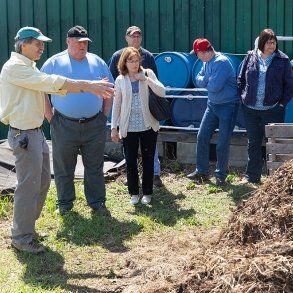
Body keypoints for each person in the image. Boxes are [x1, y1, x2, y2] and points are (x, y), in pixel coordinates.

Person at [0, 26, 114, 253]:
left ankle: (27, 229)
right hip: (24, 135)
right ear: (24, 44)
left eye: (43, 43)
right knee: (28, 186)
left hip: (35, 133)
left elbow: (52, 85)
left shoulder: (29, 66)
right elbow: (53, 83)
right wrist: (89, 85)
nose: (42, 47)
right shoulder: (15, 68)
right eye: (38, 43)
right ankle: (21, 237)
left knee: (42, 182)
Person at [41, 25, 114, 215]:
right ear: (68, 41)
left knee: (95, 166)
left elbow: (110, 90)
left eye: (85, 43)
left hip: (94, 124)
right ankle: (64, 204)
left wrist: (104, 115)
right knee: (63, 166)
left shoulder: (97, 62)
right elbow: (40, 92)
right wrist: (50, 118)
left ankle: (97, 202)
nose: (83, 46)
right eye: (79, 42)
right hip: (64, 124)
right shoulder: (54, 63)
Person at [109, 25, 163, 188]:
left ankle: (155, 175)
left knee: (150, 149)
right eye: (132, 36)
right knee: (130, 150)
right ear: (126, 38)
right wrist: (114, 125)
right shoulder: (117, 56)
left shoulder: (148, 56)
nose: (136, 39)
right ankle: (132, 178)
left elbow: (157, 85)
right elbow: (114, 80)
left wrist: (145, 80)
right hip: (128, 114)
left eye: (138, 36)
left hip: (146, 112)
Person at [237, 28, 293, 183]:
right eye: (268, 42)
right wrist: (243, 98)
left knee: (275, 143)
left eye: (274, 43)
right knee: (253, 142)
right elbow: (240, 79)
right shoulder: (250, 57)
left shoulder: (282, 60)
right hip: (250, 109)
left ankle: (275, 177)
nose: (271, 46)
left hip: (273, 109)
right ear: (261, 43)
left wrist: (281, 104)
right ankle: (252, 176)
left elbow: (289, 85)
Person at [187, 38, 239, 186]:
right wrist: (207, 79)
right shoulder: (206, 62)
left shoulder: (221, 62)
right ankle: (201, 171)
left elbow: (214, 87)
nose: (196, 57)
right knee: (202, 136)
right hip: (212, 105)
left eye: (197, 53)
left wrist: (206, 80)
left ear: (203, 52)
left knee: (222, 142)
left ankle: (221, 174)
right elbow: (198, 80)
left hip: (228, 106)